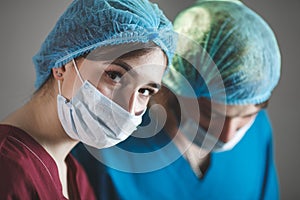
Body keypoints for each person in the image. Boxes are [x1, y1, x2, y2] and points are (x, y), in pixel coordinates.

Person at [73, 0, 281, 199]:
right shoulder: (110, 143)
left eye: (247, 115)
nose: (227, 135)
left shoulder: (258, 131)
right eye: (211, 114)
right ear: (174, 88)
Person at [0, 0, 176, 199]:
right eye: (115, 76)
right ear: (64, 64)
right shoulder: (7, 167)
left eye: (145, 91)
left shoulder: (73, 171)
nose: (129, 108)